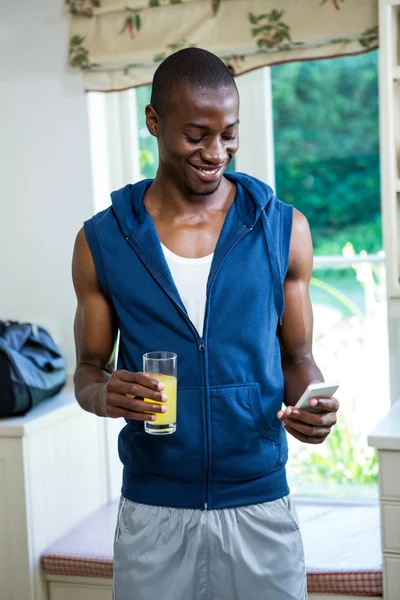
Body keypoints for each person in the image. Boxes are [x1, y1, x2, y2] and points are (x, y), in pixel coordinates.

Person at [72, 48, 339, 600]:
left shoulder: (284, 230)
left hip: (261, 502)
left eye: (229, 133)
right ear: (154, 122)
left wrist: (312, 403)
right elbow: (87, 371)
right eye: (196, 135)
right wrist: (105, 395)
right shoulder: (101, 241)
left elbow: (297, 358)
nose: (216, 152)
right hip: (153, 509)